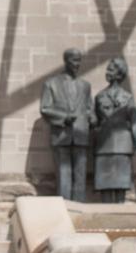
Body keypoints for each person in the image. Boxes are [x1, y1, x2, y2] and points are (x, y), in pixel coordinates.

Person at [39, 48, 94, 201]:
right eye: (74, 60)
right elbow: (45, 108)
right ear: (66, 61)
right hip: (61, 134)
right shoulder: (51, 84)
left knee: (80, 174)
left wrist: (92, 118)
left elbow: (89, 107)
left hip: (81, 134)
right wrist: (64, 118)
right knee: (63, 173)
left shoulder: (85, 86)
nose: (77, 64)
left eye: (79, 60)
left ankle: (80, 206)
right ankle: (65, 207)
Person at [93, 55, 136, 203]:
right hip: (103, 144)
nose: (108, 70)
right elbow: (95, 120)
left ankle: (119, 209)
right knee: (105, 183)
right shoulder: (99, 97)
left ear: (120, 73)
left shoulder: (127, 98)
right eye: (108, 68)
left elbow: (135, 122)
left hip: (122, 144)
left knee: (121, 183)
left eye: (112, 68)